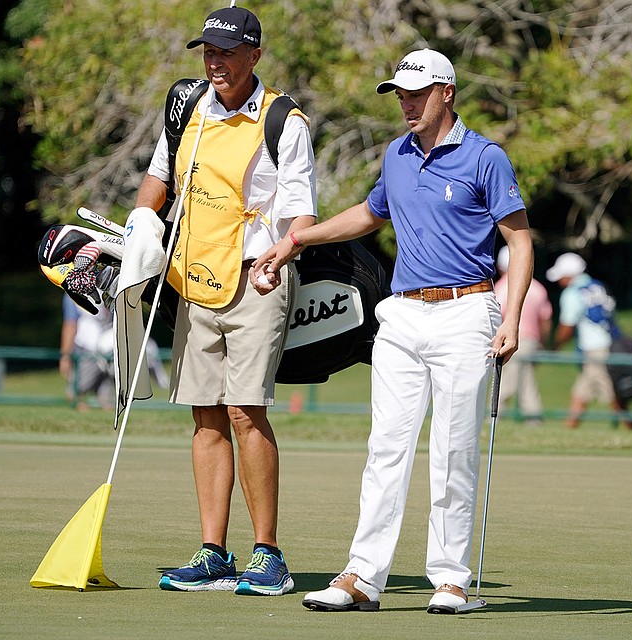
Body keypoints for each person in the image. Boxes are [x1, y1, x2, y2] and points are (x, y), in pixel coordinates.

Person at [250, 48, 533, 613]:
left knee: (454, 451)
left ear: (446, 92)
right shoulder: (398, 155)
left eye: (416, 92)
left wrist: (513, 316)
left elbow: (519, 241)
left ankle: (450, 579)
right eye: (400, 93)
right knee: (385, 448)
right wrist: (296, 241)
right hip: (402, 314)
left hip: (466, 311)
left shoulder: (486, 158)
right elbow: (369, 213)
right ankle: (362, 575)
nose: (405, 102)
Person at [128, 4, 316, 596]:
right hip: (193, 279)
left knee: (244, 410)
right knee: (205, 413)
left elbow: (300, 213)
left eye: (227, 52)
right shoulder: (188, 109)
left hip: (258, 276)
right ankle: (213, 551)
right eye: (208, 51)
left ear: (254, 55)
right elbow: (160, 179)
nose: (215, 63)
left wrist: (281, 256)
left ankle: (269, 555)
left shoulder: (284, 120)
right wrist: (139, 221)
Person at [547, 252, 632, 430]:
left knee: (611, 394)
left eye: (561, 276)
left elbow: (566, 326)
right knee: (583, 392)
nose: (559, 281)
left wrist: (555, 346)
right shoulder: (597, 286)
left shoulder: (572, 293)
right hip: (610, 344)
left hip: (595, 350)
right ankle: (569, 429)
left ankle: (631, 429)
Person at [494, 246, 553, 424]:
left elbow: (496, 317)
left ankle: (501, 417)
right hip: (532, 341)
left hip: (508, 339)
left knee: (509, 380)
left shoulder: (501, 287)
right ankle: (531, 417)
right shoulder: (537, 287)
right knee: (524, 378)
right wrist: (542, 342)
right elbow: (546, 319)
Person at [59, 293, 115, 411]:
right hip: (109, 344)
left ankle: (82, 415)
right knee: (106, 398)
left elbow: (70, 325)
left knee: (75, 392)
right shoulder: (108, 286)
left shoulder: (72, 292)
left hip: (88, 346)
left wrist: (65, 356)